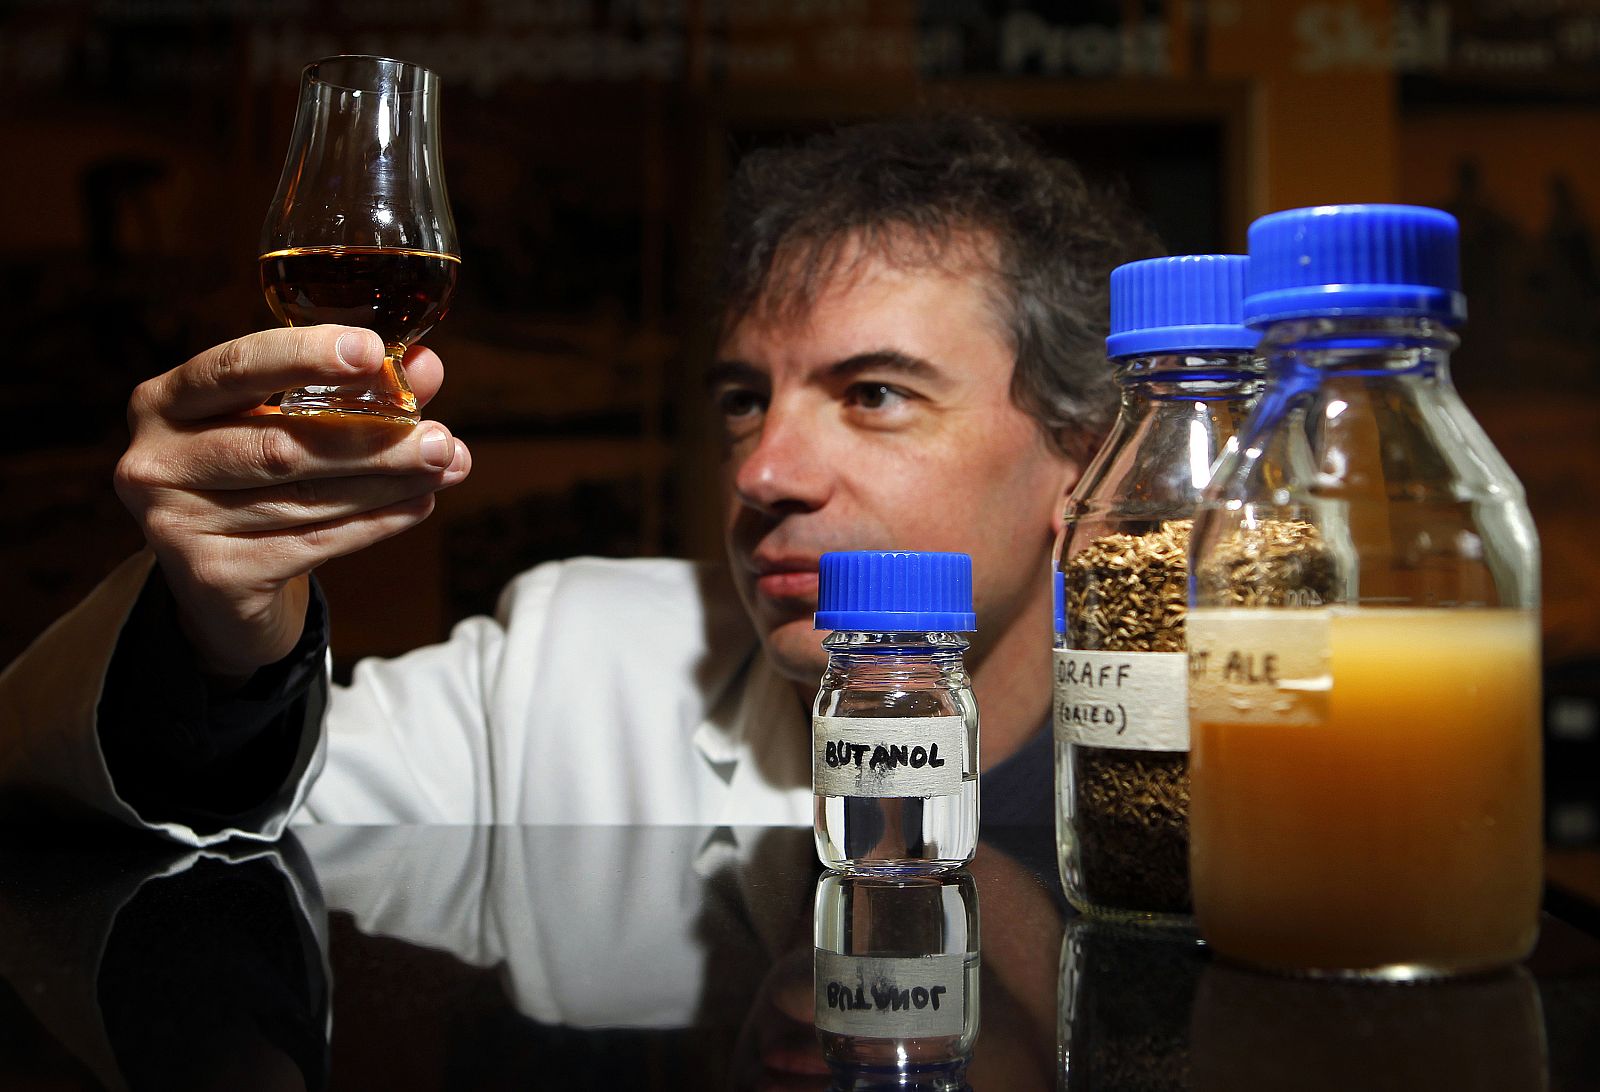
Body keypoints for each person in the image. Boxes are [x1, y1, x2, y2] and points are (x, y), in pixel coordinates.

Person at [0, 115, 1159, 845]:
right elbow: (181, 821)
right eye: (743, 399)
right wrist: (213, 631)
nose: (763, 471)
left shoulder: (1241, 755)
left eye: (875, 395)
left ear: (1088, 455)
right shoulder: (571, 665)